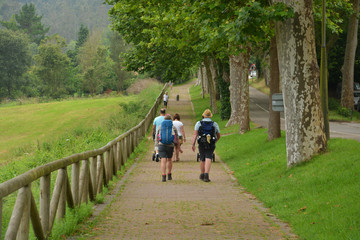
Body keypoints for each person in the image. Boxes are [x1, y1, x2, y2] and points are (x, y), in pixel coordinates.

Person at [191, 109, 220, 182]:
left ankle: (202, 174)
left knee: (202, 158)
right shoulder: (214, 124)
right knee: (209, 157)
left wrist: (193, 144)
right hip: (211, 142)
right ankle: (207, 174)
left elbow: (195, 134)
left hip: (201, 142)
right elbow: (218, 135)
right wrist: (215, 141)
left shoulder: (199, 123)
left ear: (203, 115)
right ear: (210, 116)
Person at [156, 114, 178, 182]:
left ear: (164, 119)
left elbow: (157, 137)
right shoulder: (173, 127)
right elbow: (176, 138)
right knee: (169, 159)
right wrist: (177, 146)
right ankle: (169, 174)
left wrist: (156, 145)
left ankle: (163, 175)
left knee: (163, 160)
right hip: (170, 145)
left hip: (161, 145)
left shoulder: (160, 126)